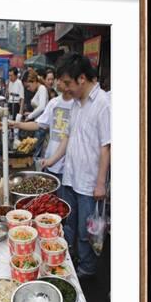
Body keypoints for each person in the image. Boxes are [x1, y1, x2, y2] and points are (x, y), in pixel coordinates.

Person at [56, 52, 111, 278]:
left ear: (81, 78)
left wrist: (100, 184)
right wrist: (51, 161)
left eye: (68, 83)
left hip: (89, 183)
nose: (65, 89)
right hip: (70, 177)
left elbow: (106, 146)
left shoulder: (103, 103)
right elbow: (68, 137)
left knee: (85, 231)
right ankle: (70, 262)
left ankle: (86, 270)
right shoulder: (76, 104)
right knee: (68, 225)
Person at [9, 77, 74, 185]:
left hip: (69, 166)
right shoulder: (54, 103)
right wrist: (17, 124)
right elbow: (39, 124)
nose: (56, 82)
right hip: (51, 162)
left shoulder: (77, 104)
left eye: (60, 79)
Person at [16, 70, 49, 151]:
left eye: (28, 86)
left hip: (41, 126)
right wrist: (31, 113)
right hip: (38, 124)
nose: (28, 89)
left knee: (35, 151)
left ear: (34, 81)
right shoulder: (40, 89)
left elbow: (42, 107)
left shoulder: (42, 88)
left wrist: (30, 116)